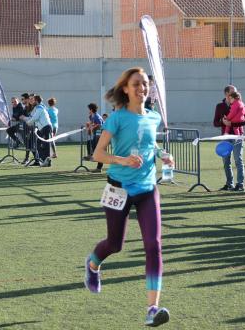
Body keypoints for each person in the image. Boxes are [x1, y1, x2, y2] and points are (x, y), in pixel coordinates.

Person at [85, 67, 173, 327]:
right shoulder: (117, 118)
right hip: (118, 188)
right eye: (136, 84)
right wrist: (123, 160)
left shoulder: (153, 117)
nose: (142, 88)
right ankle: (92, 264)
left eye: (145, 84)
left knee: (154, 245)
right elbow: (98, 155)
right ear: (125, 88)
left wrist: (162, 155)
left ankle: (151, 308)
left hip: (147, 189)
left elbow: (150, 145)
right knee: (115, 244)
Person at [214, 86, 245, 191]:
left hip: (238, 136)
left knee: (238, 160)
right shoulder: (220, 106)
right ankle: (229, 183)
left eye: (235, 92)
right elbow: (215, 122)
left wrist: (233, 123)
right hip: (226, 137)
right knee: (226, 161)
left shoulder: (239, 102)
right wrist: (223, 122)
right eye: (232, 92)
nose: (235, 93)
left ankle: (240, 184)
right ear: (226, 94)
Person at [21, 94, 52, 167]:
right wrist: (25, 118)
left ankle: (46, 161)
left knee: (45, 144)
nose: (31, 101)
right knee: (38, 144)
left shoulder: (40, 108)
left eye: (33, 100)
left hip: (46, 127)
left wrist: (28, 122)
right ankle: (43, 160)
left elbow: (34, 118)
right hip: (42, 128)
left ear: (36, 101)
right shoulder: (37, 108)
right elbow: (30, 117)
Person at [85, 103, 104, 173]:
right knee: (89, 143)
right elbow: (92, 123)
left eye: (89, 109)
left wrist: (92, 127)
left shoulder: (96, 116)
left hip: (100, 134)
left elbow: (100, 125)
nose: (88, 111)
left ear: (91, 109)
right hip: (96, 135)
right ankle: (91, 155)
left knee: (97, 147)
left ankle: (93, 157)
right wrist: (89, 126)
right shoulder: (92, 116)